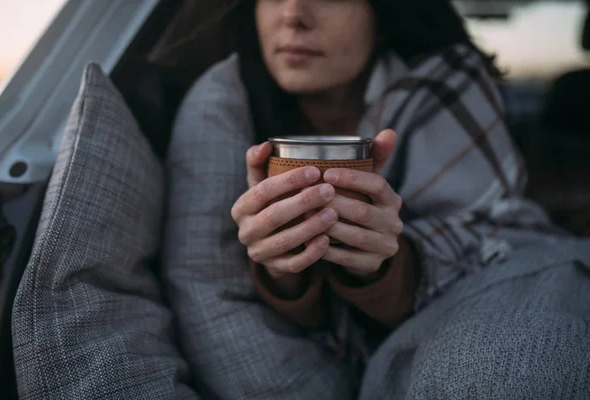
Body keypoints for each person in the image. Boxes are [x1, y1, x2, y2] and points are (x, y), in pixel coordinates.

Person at [162, 0, 590, 398]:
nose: (292, 15)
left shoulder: (440, 80)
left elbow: (488, 237)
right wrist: (283, 268)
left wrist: (389, 264)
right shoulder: (225, 107)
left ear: (381, 9)